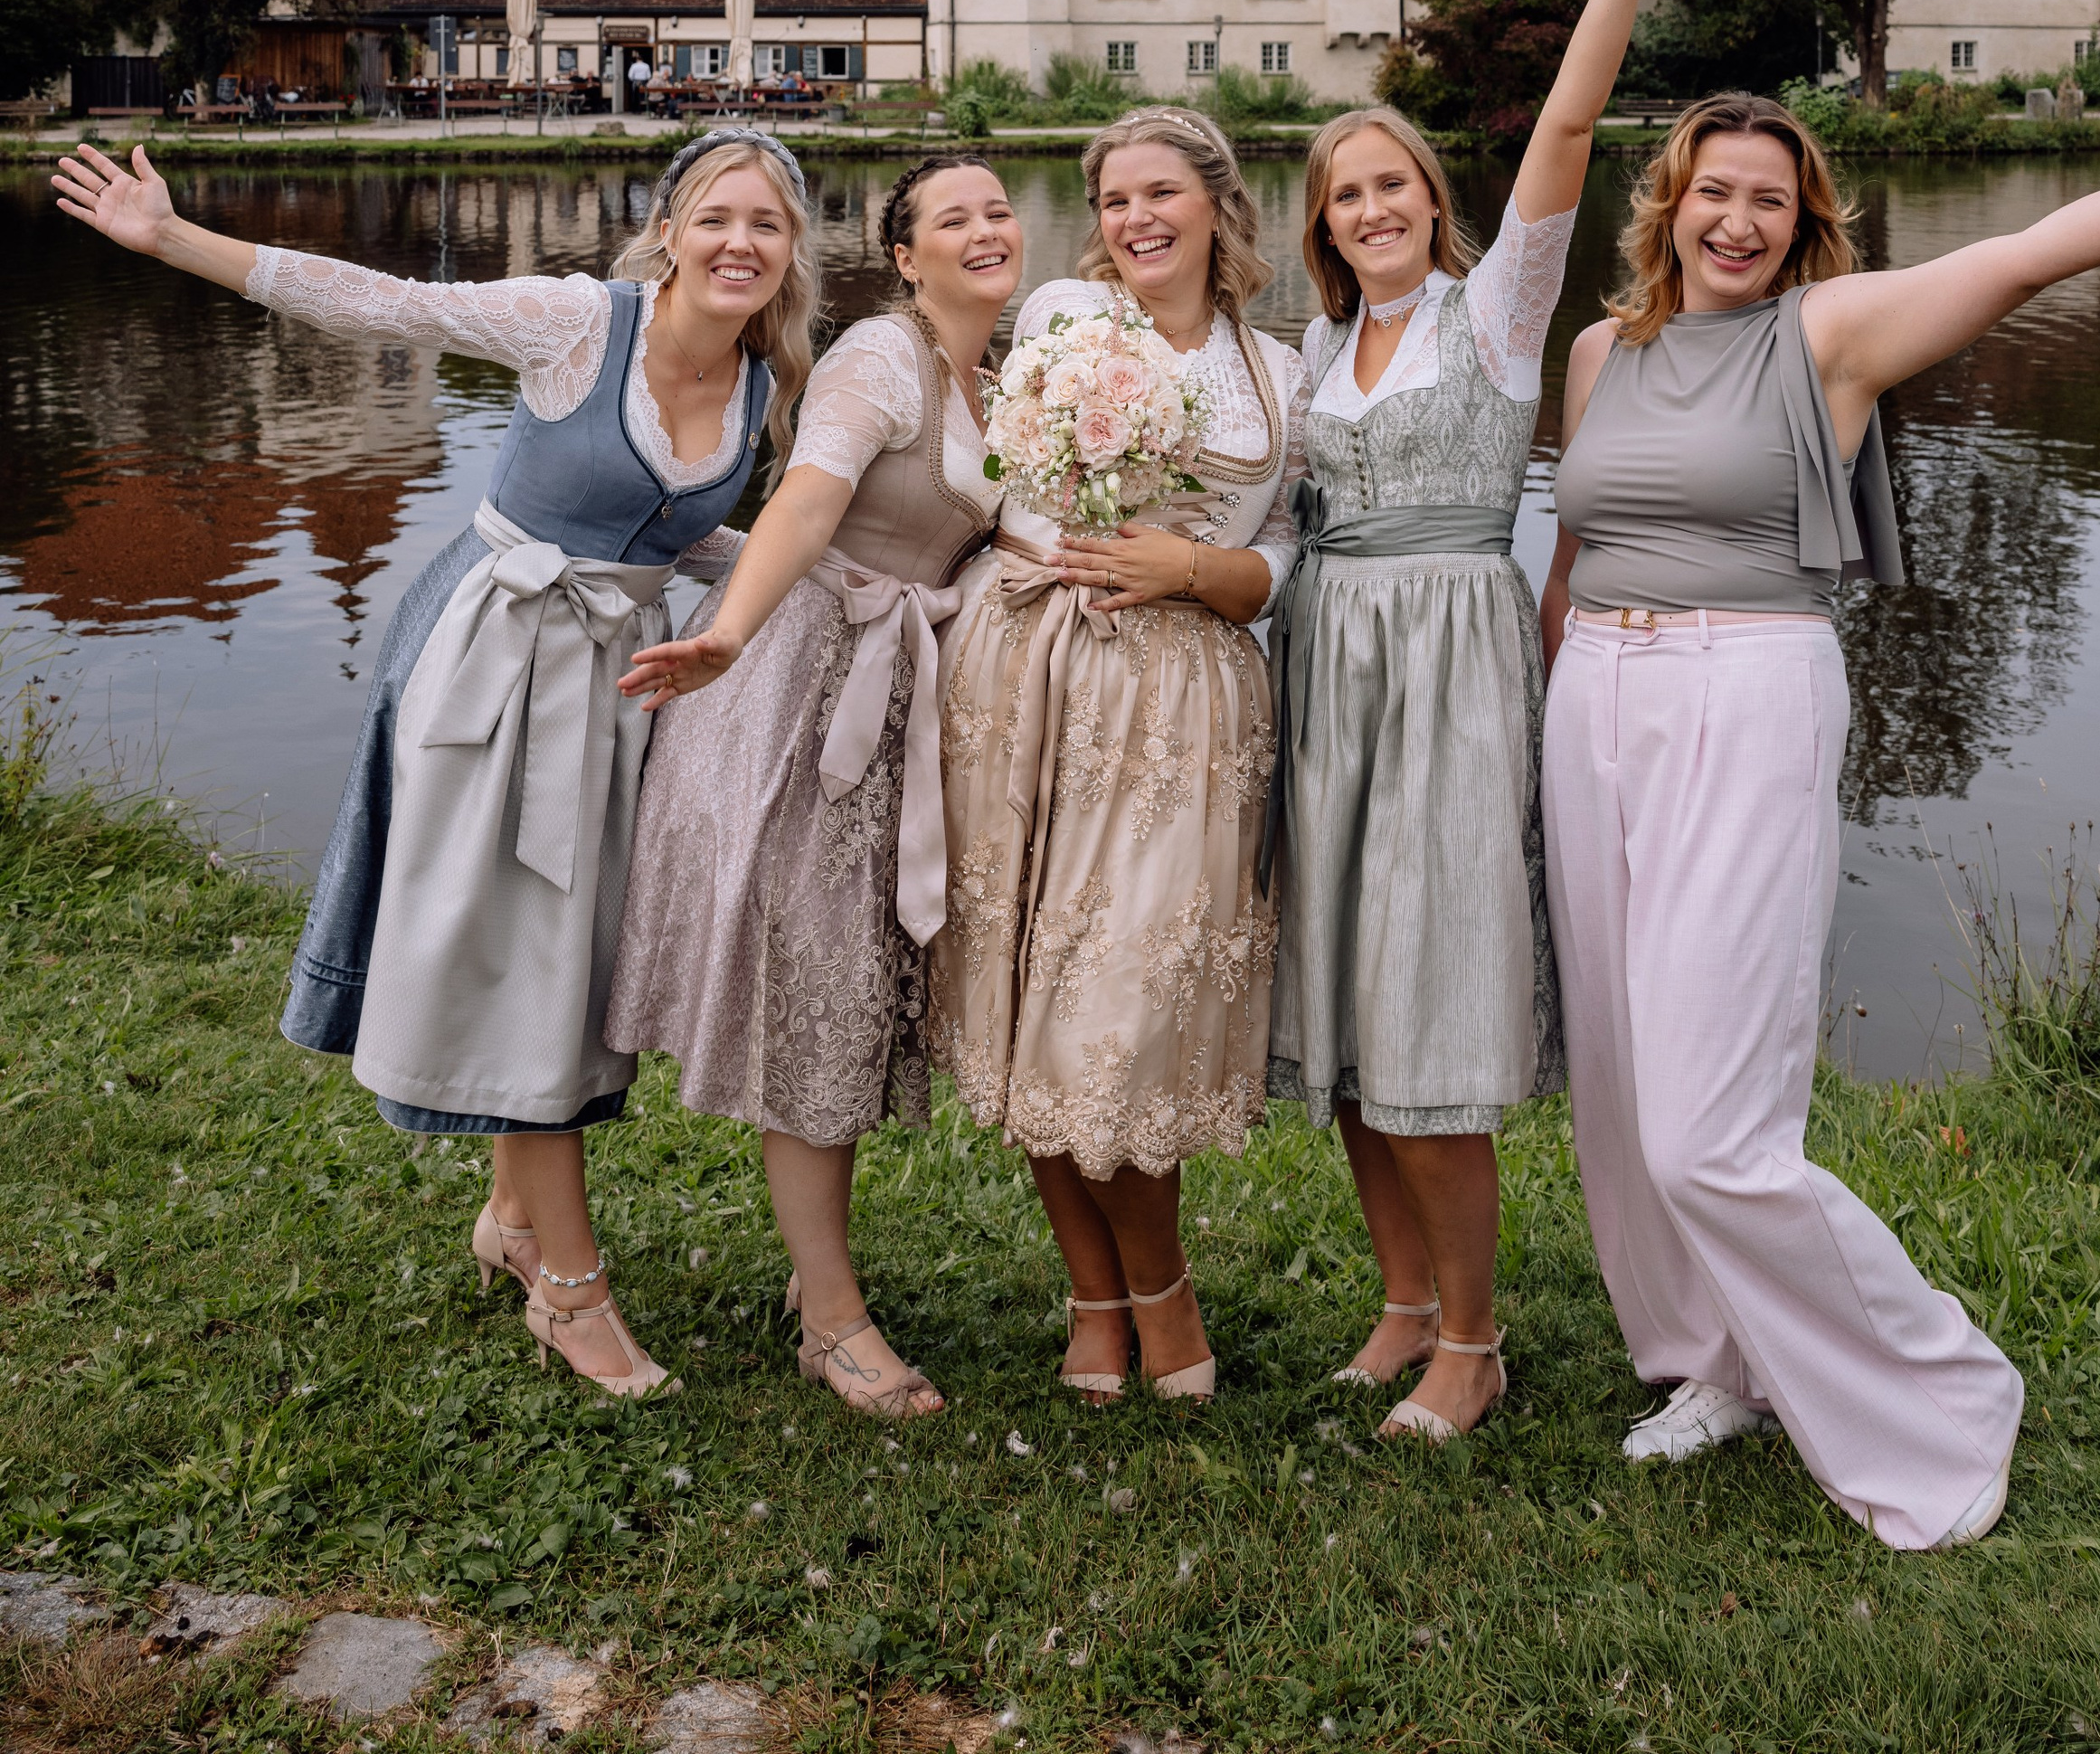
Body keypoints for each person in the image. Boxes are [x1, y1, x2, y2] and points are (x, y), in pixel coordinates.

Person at [1539, 55, 2100, 1549]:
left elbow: (2031, 254)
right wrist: (1554, 692)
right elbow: (1576, 548)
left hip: (1743, 690)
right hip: (1594, 702)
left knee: (1712, 1124)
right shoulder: (1599, 351)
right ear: (1670, 203)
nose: (1739, 221)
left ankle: (1938, 1396)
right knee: (1626, 1083)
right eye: (1716, 191)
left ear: (1805, 222)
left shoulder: (1831, 334)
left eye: (1771, 200)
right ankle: (1710, 1361)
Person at [47, 124, 817, 1399]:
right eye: (718, 217)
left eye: (768, 224)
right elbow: (382, 303)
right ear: (670, 230)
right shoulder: (578, 322)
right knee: (525, 951)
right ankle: (570, 1291)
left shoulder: (762, 378)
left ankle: (513, 1218)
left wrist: (824, 578)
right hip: (491, 656)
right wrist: (170, 236)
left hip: (614, 672)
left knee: (564, 947)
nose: (741, 243)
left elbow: (668, 536)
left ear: (793, 251)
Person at [1268, 0, 1745, 1442]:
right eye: (1346, 193)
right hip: (1328, 668)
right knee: (1343, 1003)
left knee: (1426, 993)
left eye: (1392, 182)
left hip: (1452, 665)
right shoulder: (1315, 348)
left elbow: (1566, 129)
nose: (1372, 207)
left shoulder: (1496, 314)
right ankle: (1404, 1303)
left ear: (1433, 200)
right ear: (1325, 224)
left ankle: (1474, 1339)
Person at [610, 158, 1026, 1421]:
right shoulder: (880, 360)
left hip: (901, 694)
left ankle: (529, 1212)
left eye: (999, 210)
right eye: (953, 217)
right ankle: (832, 1321)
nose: (986, 229)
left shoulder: (1012, 376)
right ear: (904, 256)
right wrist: (730, 633)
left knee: (846, 986)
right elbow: (805, 501)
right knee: (817, 992)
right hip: (801, 692)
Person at [930, 107, 1308, 1405]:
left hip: (1186, 700)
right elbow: (1001, 483)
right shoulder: (1061, 319)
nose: (1135, 219)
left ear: (1218, 203)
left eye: (1160, 193)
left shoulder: (1280, 370)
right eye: (1113, 200)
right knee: (1034, 990)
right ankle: (1105, 1297)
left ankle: (1163, 1284)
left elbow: (1285, 553)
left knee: (1125, 1003)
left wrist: (1196, 566)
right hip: (1035, 670)